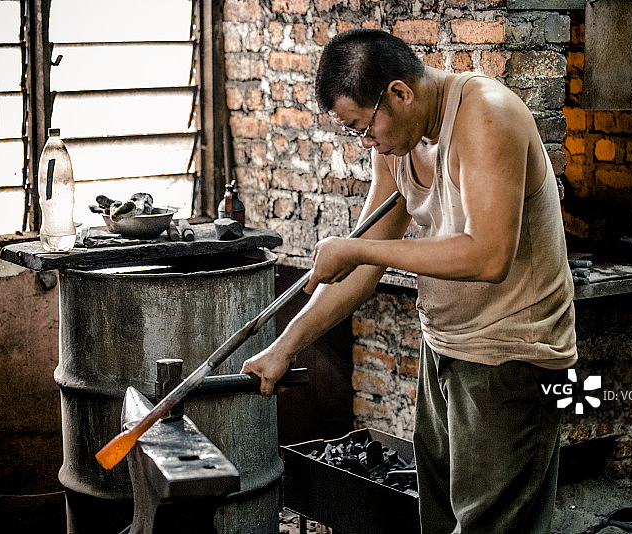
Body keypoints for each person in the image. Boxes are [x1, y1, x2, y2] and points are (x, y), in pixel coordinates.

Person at [241, 29, 577, 534]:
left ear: (399, 93)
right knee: (439, 521)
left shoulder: (487, 116)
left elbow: (489, 255)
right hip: (444, 348)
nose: (366, 141)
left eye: (362, 127)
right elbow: (361, 269)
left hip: (515, 359)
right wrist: (286, 346)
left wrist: (356, 247)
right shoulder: (396, 140)